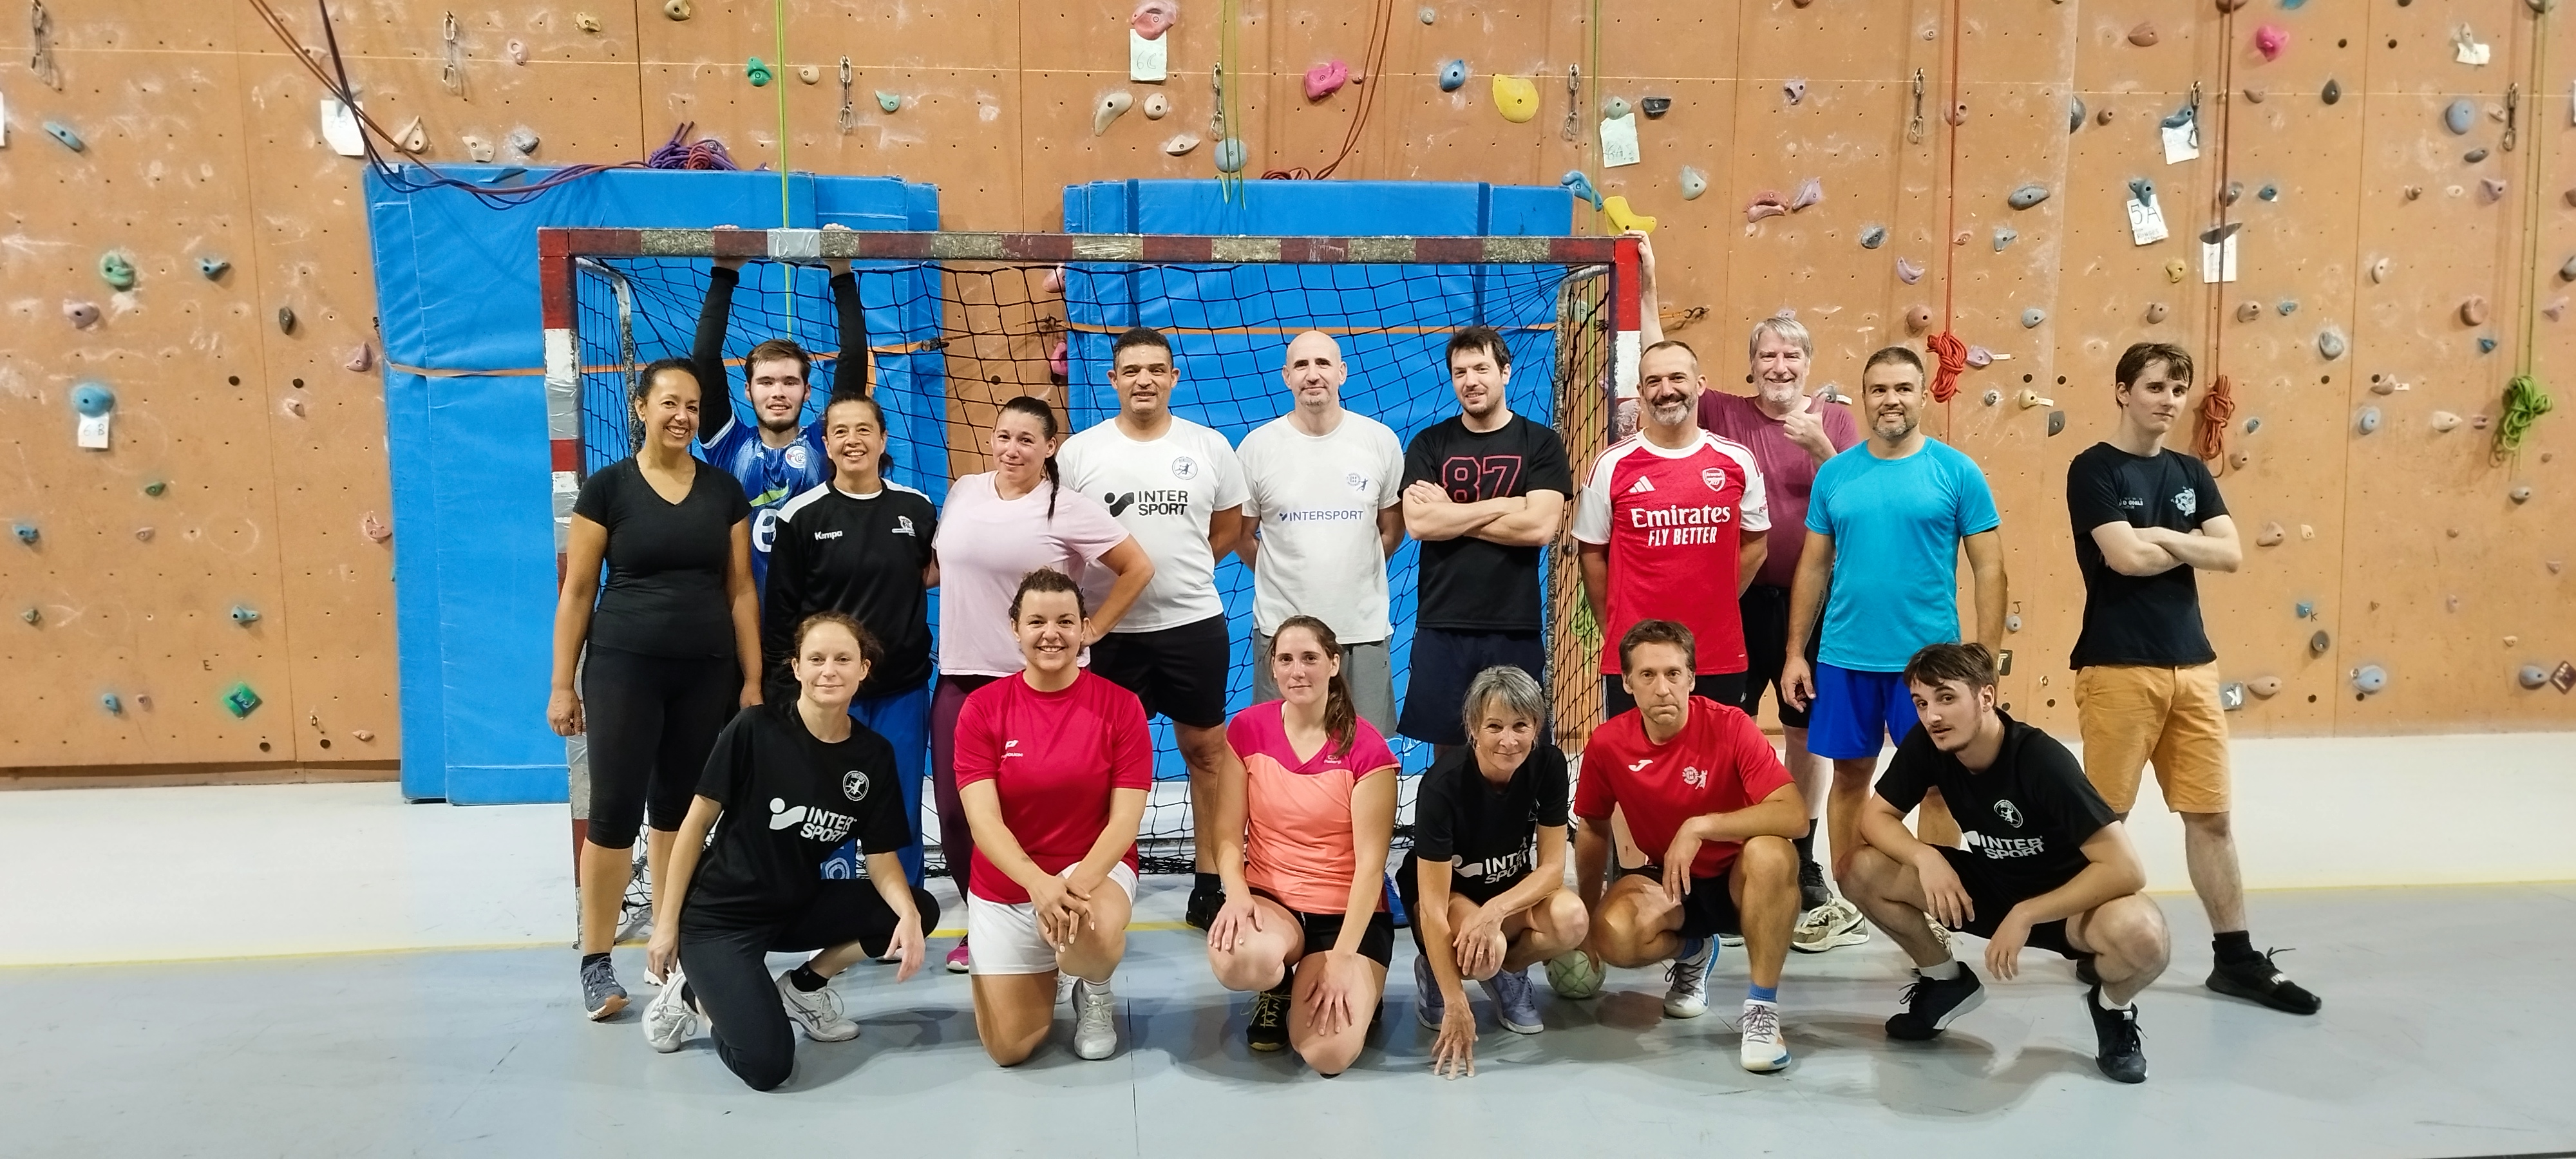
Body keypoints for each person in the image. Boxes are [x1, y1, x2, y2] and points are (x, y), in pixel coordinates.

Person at [1631, 234, 1868, 951]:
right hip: (1734, 607)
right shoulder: (1725, 415)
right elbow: (1658, 366)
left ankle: (1802, 855)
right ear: (1750, 366)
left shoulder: (1834, 423)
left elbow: (1858, 495)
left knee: (1804, 736)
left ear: (1808, 367)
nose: (1779, 366)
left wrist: (1820, 449)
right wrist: (1645, 285)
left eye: (1791, 356)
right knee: (1719, 731)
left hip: (1814, 607)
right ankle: (1726, 856)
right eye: (1767, 355)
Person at [2067, 342, 2318, 1015]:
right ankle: (2093, 944)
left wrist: (2167, 539)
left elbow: (2231, 554)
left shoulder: (2190, 471)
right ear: (2122, 391)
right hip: (2117, 667)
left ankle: (2234, 959)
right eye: (2154, 387)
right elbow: (2122, 559)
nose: (2168, 400)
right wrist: (2186, 544)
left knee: (2210, 817)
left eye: (2177, 389)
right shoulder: (2091, 468)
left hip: (2193, 667)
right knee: (2106, 822)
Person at [1839, 643, 2168, 1084]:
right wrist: (1924, 856)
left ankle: (2112, 1009)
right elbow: (1876, 817)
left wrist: (2028, 912)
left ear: (1986, 698)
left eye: (1947, 698)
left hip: (2067, 905)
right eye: (1921, 702)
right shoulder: (1929, 744)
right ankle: (1945, 982)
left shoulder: (2041, 760)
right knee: (1857, 868)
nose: (1932, 715)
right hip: (1991, 888)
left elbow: (2126, 869)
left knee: (2145, 937)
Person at [636, 612, 938, 1089]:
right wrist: (666, 924)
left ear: (864, 669)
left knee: (916, 908)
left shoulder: (872, 755)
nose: (829, 671)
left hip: (795, 905)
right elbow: (694, 826)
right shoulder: (755, 729)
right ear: (796, 667)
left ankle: (804, 989)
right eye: (816, 659)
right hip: (720, 920)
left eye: (843, 659)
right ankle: (694, 996)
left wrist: (905, 914)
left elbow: (880, 857)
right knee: (767, 1066)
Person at [548, 357, 760, 1021]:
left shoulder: (724, 491)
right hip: (623, 667)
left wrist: (752, 679)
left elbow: (740, 590)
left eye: (693, 406)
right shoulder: (607, 490)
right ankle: (596, 960)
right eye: (670, 403)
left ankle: (667, 955)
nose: (682, 417)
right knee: (613, 813)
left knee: (680, 812)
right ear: (640, 408)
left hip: (706, 674)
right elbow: (579, 590)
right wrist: (563, 685)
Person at [931, 396, 1154, 974]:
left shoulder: (1068, 508)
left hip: (1037, 683)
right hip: (962, 675)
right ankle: (990, 916)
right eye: (1004, 436)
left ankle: (1068, 910)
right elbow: (939, 566)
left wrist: (1092, 630)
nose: (1012, 449)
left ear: (1050, 448)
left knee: (1050, 806)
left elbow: (1138, 567)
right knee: (959, 814)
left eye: (1027, 440)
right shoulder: (965, 493)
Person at [1784, 346, 2007, 885]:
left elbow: (1991, 569)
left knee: (1937, 785)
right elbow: (1813, 569)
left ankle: (1934, 900)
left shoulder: (1957, 472)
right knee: (1850, 776)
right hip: (1845, 658)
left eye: (1903, 389)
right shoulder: (1835, 474)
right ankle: (1852, 891)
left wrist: (1987, 659)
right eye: (1879, 390)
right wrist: (1795, 653)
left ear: (1923, 396)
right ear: (1864, 399)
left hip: (1929, 667)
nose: (1891, 400)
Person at [1057, 327, 1252, 930]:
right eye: (1131, 370)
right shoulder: (1080, 453)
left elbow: (1224, 531)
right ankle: (1092, 879)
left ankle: (1211, 881)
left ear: (1173, 378)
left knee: (1206, 754)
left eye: (1155, 369)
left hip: (1191, 625)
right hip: (1106, 632)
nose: (1144, 379)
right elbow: (1061, 535)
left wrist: (1178, 573)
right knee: (1096, 762)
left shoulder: (1211, 446)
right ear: (1113, 380)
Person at [1551, 619, 1807, 1074]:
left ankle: (1762, 1011)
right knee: (1615, 935)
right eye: (1647, 675)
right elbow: (1592, 826)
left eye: (1673, 674)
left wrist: (1703, 826)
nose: (1662, 687)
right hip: (1672, 881)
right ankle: (1692, 952)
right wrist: (1588, 916)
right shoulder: (1609, 743)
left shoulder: (1730, 727)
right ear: (1627, 683)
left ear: (1691, 678)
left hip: (1738, 879)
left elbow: (1793, 815)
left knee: (1772, 851)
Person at [951, 569, 1154, 1065]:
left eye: (1066, 621)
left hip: (1093, 871)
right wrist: (1037, 884)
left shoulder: (1121, 707)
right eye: (1037, 621)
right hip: (1009, 881)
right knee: (1010, 1049)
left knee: (1091, 935)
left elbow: (1123, 823)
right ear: (1015, 627)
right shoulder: (981, 710)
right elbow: (984, 823)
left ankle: (1094, 986)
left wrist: (1073, 887)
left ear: (1085, 628)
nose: (1051, 634)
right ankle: (1056, 962)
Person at [1204, 616, 1400, 1075]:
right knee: (1239, 961)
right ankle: (1277, 987)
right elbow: (1228, 835)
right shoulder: (1247, 730)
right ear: (1272, 668)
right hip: (1275, 903)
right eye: (1286, 659)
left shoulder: (1368, 750)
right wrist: (1235, 896)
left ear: (1334, 663)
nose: (1298, 671)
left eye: (1311, 658)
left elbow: (1372, 870)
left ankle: (1360, 983)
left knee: (1326, 1055)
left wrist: (1344, 959)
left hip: (1347, 916)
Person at [762, 391, 939, 885]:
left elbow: (932, 573)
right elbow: (780, 613)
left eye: (864, 430)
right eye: (840, 432)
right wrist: (781, 689)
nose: (852, 440)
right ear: (825, 443)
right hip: (829, 692)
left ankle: (904, 910)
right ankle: (830, 906)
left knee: (900, 797)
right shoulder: (801, 515)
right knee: (827, 803)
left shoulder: (917, 509)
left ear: (883, 439)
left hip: (902, 690)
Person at [1395, 666, 1587, 1079]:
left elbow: (1553, 868)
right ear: (1473, 729)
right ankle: (1436, 968)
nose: (1508, 739)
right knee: (1483, 955)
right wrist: (1455, 1001)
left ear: (1537, 726)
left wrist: (1495, 910)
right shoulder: (1442, 787)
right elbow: (1430, 907)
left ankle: (1509, 976)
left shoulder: (1548, 765)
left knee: (1572, 920)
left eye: (1521, 725)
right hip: (1450, 897)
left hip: (1503, 892)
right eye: (1494, 726)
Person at [1396, 326, 1573, 763]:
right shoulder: (1430, 443)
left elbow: (1538, 528)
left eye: (1481, 368)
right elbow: (1419, 523)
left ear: (1505, 372)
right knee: (1452, 755)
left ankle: (1516, 832)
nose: (1470, 380)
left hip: (1513, 625)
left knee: (1517, 748)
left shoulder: (1541, 443)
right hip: (1442, 622)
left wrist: (1452, 514)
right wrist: (1506, 505)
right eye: (1460, 372)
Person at [1572, 339, 1770, 719]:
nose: (1666, 391)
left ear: (1700, 384)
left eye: (1677, 378)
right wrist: (1617, 628)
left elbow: (1756, 546)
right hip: (1637, 658)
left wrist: (1718, 598)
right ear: (1641, 392)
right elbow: (1592, 555)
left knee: (1715, 772)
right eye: (1654, 381)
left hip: (1717, 653)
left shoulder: (1737, 461)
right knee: (1637, 772)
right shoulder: (1611, 465)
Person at [1236, 330, 1405, 737]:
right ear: (1286, 376)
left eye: (1323, 364)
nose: (1313, 375)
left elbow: (1392, 528)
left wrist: (1353, 571)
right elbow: (1242, 536)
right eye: (1302, 365)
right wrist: (1286, 575)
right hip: (1282, 633)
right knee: (1281, 754)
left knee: (1366, 754)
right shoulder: (1257, 448)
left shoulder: (1380, 441)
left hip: (1361, 630)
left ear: (1342, 372)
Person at [692, 245, 866, 592]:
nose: (778, 393)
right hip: (741, 619)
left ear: (807, 391)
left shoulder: (825, 442)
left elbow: (854, 360)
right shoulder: (728, 444)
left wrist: (842, 271)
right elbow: (705, 359)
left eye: (790, 382)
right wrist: (724, 272)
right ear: (748, 391)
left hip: (814, 622)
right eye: (766, 382)